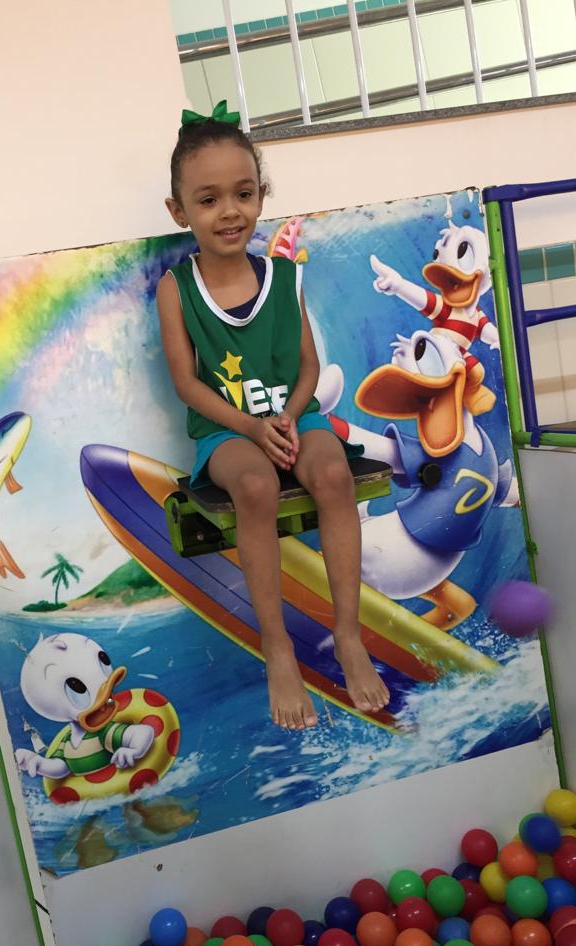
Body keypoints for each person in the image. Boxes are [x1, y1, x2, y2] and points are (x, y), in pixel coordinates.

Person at [156, 101, 390, 730]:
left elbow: (309, 366)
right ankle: (278, 647)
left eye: (243, 193)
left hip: (293, 418)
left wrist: (287, 416)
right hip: (227, 432)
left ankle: (348, 635)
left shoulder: (284, 278)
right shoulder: (177, 289)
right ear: (179, 212)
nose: (229, 211)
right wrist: (252, 427)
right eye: (208, 200)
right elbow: (187, 385)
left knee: (334, 475)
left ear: (261, 195)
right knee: (256, 485)